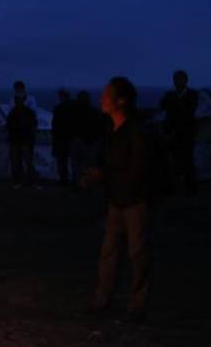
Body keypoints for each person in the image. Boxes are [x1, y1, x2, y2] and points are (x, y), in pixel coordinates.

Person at [84, 77, 155, 322]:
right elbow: (108, 161)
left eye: (107, 95)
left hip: (134, 201)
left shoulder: (136, 131)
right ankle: (102, 297)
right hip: (116, 199)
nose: (102, 99)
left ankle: (138, 301)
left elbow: (139, 167)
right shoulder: (111, 131)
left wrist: (106, 175)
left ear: (121, 100)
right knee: (109, 251)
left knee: (137, 252)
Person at [160, 70, 199, 197]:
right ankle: (174, 188)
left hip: (186, 133)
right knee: (174, 160)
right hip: (172, 134)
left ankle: (190, 188)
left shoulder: (193, 95)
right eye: (176, 79)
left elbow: (189, 113)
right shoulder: (169, 95)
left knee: (188, 160)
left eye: (181, 79)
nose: (178, 82)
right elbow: (162, 107)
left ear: (186, 81)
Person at [6, 92, 38, 188]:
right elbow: (33, 125)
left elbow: (8, 125)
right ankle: (29, 180)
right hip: (25, 140)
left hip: (16, 140)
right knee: (27, 161)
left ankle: (18, 181)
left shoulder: (12, 112)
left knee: (16, 162)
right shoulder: (29, 112)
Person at [51, 89, 77, 187]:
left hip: (60, 138)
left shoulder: (58, 108)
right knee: (74, 161)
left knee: (62, 161)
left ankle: (63, 180)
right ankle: (75, 180)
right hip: (72, 138)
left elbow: (55, 124)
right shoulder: (75, 106)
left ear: (61, 96)